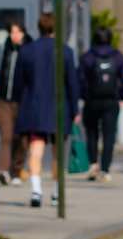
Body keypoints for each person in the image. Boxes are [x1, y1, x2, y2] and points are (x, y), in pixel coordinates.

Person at [15, 11, 80, 207]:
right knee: (58, 153)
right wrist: (75, 109)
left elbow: (19, 83)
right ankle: (56, 192)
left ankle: (36, 190)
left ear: (39, 28)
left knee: (36, 149)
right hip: (60, 109)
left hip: (35, 108)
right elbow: (72, 84)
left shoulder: (27, 51)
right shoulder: (65, 51)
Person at [78, 26, 123, 182]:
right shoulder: (118, 57)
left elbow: (80, 79)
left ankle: (93, 164)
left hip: (92, 101)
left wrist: (85, 95)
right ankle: (105, 169)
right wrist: (122, 96)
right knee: (109, 135)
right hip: (111, 101)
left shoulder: (88, 57)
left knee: (92, 133)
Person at [0, 20, 27, 185]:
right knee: (6, 135)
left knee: (21, 138)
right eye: (12, 32)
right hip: (3, 100)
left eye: (18, 32)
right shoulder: (3, 50)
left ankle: (16, 171)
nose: (14, 36)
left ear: (23, 34)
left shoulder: (28, 51)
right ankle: (3, 171)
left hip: (22, 101)